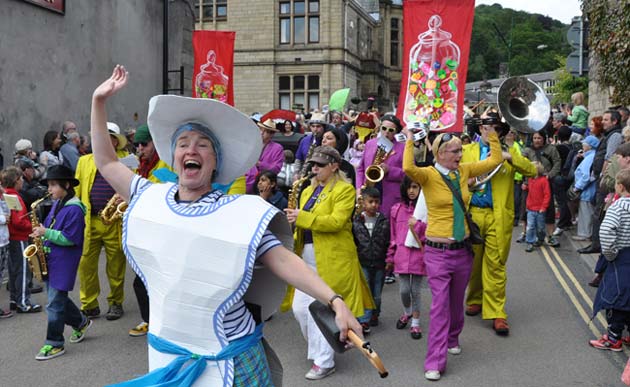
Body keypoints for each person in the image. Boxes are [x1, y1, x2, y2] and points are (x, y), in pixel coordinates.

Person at [91, 65, 361, 386]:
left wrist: (335, 301)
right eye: (183, 143)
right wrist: (98, 102)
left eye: (203, 144)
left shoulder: (241, 213)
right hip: (167, 358)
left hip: (231, 362)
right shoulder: (148, 196)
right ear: (173, 157)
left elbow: (285, 261)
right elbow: (107, 162)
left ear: (216, 160)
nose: (191, 149)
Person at [402, 127, 502, 381]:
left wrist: (493, 137)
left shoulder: (464, 171)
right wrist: (410, 141)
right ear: (440, 152)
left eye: (461, 150)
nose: (460, 154)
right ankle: (434, 361)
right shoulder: (428, 175)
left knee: (457, 302)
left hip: (463, 251)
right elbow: (408, 170)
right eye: (455, 150)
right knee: (439, 307)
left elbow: (494, 161)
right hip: (437, 253)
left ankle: (453, 336)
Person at [284, 145, 374, 380]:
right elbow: (302, 223)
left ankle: (324, 361)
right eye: (313, 164)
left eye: (320, 165)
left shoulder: (345, 190)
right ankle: (323, 348)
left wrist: (301, 217)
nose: (315, 169)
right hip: (306, 257)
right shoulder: (306, 191)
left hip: (333, 260)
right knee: (300, 310)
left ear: (335, 166)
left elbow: (336, 222)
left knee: (321, 311)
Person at [462, 114, 536, 336]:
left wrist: (510, 157)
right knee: (473, 261)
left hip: (498, 216)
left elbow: (531, 171)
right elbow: (453, 173)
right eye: (486, 126)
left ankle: (496, 312)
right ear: (480, 128)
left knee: (495, 264)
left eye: (494, 127)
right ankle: (474, 298)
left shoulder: (510, 152)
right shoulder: (467, 151)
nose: (490, 131)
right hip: (473, 213)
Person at [31, 165, 92, 360]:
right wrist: (41, 231)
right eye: (48, 185)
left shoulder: (74, 209)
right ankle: (81, 322)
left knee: (54, 303)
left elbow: (70, 238)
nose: (49, 190)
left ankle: (55, 343)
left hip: (64, 261)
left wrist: (46, 233)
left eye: (53, 185)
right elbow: (51, 226)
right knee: (58, 299)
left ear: (66, 185)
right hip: (52, 258)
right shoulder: (58, 203)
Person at [75, 121, 130, 320]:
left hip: (116, 220)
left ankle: (116, 302)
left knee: (116, 264)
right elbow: (76, 189)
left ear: (115, 142)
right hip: (89, 220)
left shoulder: (127, 160)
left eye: (108, 138)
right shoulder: (84, 161)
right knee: (85, 263)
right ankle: (89, 304)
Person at [127, 123, 171, 337]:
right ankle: (154, 320)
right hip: (145, 230)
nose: (140, 148)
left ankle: (153, 321)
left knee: (146, 280)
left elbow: (157, 192)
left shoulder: (163, 164)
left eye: (144, 144)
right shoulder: (142, 165)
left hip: (161, 230)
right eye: (137, 145)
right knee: (145, 280)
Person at [589, 169, 630, 351]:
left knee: (615, 298)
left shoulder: (618, 207)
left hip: (620, 259)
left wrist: (610, 254)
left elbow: (606, 232)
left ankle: (613, 338)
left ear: (620, 187)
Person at [386, 176, 427, 340]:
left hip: (418, 256)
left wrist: (417, 225)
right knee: (404, 290)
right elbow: (393, 236)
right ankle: (407, 312)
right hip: (401, 256)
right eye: (409, 187)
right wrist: (389, 256)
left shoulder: (425, 210)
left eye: (416, 187)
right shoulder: (396, 209)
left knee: (415, 291)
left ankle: (415, 323)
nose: (412, 191)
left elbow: (428, 234)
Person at [580, 110, 624, 255]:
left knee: (599, 211)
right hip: (602, 177)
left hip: (605, 179)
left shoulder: (615, 135)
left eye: (606, 120)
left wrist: (603, 176)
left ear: (614, 121)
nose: (603, 122)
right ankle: (596, 242)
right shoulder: (609, 135)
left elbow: (609, 157)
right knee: (598, 209)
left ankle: (597, 244)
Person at [1, 166, 42, 313]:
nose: (23, 181)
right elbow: (18, 221)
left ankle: (14, 299)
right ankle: (24, 302)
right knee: (23, 270)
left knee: (13, 270)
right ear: (16, 180)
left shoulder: (5, 194)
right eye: (21, 179)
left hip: (9, 238)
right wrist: (33, 226)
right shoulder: (15, 197)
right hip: (18, 237)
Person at [352, 186, 390, 333]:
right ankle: (364, 320)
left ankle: (375, 313)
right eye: (370, 202)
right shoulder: (357, 221)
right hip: (363, 261)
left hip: (380, 262)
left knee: (377, 294)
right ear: (363, 203)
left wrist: (389, 259)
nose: (374, 205)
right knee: (366, 290)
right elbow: (354, 241)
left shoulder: (383, 220)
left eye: (376, 201)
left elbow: (388, 241)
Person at [521, 131, 562, 247]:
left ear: (544, 138)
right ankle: (525, 233)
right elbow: (521, 164)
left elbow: (557, 162)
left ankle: (550, 236)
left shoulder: (551, 149)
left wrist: (550, 175)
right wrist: (525, 180)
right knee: (526, 209)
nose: (537, 140)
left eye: (539, 138)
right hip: (529, 182)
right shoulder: (527, 150)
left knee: (549, 210)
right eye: (534, 138)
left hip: (545, 182)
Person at [570, 136, 600, 241]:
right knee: (587, 211)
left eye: (584, 144)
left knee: (586, 212)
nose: (583, 145)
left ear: (589, 146)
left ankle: (585, 234)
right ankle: (587, 233)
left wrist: (577, 187)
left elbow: (586, 176)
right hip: (590, 190)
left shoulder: (590, 158)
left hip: (587, 191)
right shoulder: (591, 156)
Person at [245, 119, 284, 194]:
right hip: (247, 182)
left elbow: (276, 169)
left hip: (265, 186)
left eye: (265, 131)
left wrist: (260, 164)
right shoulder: (251, 144)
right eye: (260, 130)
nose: (261, 133)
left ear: (271, 134)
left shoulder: (277, 148)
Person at [524, 162, 551, 253]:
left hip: (540, 209)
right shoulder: (530, 179)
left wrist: (544, 207)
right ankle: (530, 242)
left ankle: (540, 239)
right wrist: (525, 187)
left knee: (540, 227)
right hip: (531, 208)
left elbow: (547, 195)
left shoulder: (543, 181)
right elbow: (530, 189)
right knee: (530, 226)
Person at [293, 113, 326, 179]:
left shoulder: (326, 141)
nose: (315, 129)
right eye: (313, 126)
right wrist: (296, 173)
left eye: (318, 126)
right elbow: (299, 159)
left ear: (324, 127)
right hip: (305, 176)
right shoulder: (304, 140)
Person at [0, 184, 13, 318]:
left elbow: (8, 212)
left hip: (3, 241)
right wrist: (3, 218)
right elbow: (5, 218)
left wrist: (3, 196)